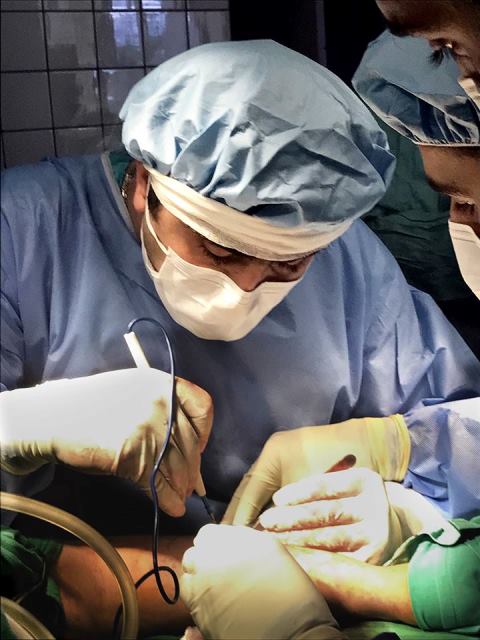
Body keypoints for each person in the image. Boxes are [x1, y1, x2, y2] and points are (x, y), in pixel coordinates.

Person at [1, 39, 480, 637]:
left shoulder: (346, 259)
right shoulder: (21, 232)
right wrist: (20, 421)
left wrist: (400, 484)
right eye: (220, 251)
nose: (245, 287)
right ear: (145, 182)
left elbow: (463, 420)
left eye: (287, 267)